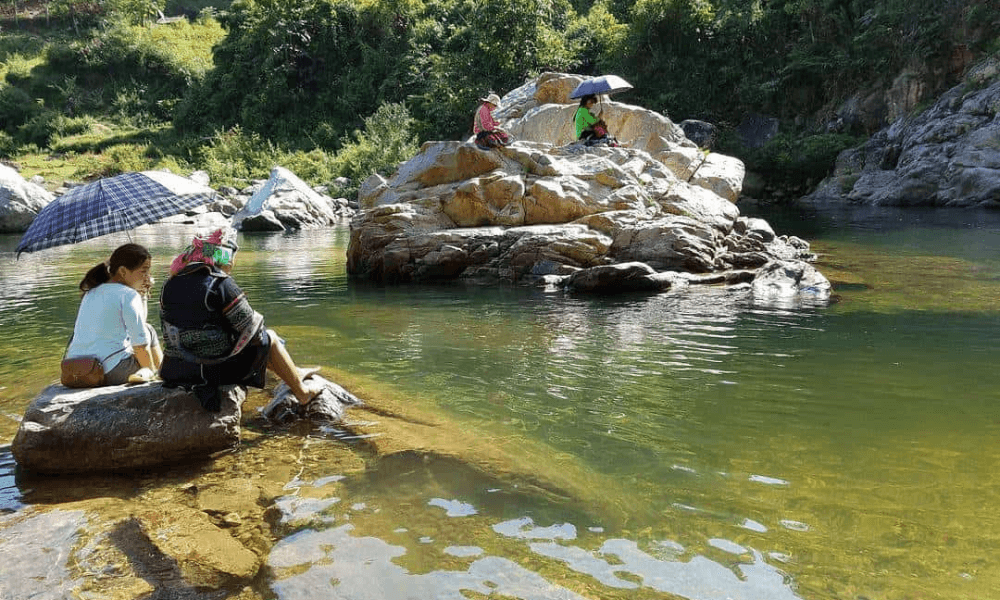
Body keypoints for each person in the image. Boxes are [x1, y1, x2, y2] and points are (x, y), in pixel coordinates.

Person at [158, 228, 324, 412]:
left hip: (178, 369)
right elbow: (252, 331)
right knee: (270, 337)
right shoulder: (220, 283)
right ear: (224, 257)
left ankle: (293, 371)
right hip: (214, 370)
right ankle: (303, 392)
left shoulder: (169, 283)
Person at [65, 243, 163, 386]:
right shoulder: (127, 294)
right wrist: (149, 367)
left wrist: (142, 294)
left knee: (147, 329)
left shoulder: (91, 292)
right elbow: (140, 343)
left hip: (76, 369)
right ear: (123, 271)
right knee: (148, 340)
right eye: (144, 271)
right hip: (110, 371)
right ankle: (159, 375)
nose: (147, 276)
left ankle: (153, 372)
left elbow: (141, 324)